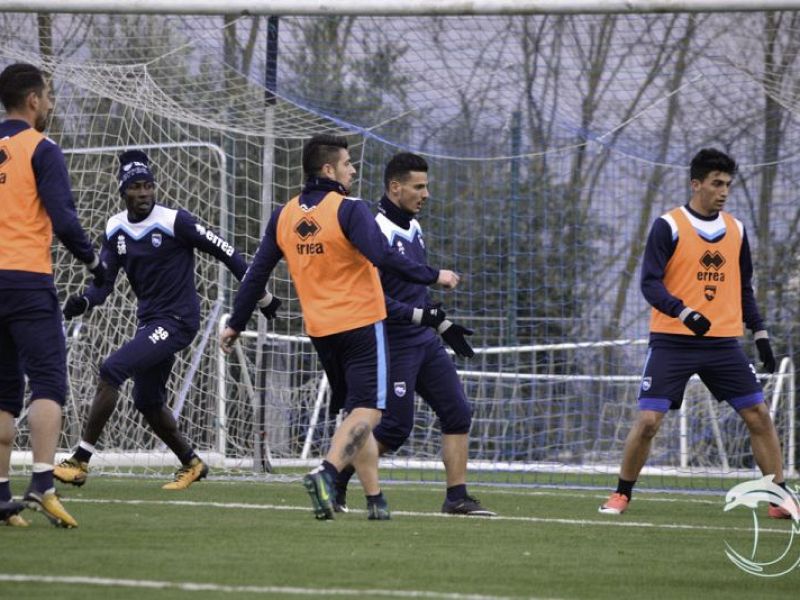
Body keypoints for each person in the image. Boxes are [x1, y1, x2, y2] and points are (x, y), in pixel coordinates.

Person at [220, 134, 460, 520]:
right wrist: (436, 275)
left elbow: (255, 274)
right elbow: (382, 255)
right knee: (369, 413)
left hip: (320, 331)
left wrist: (235, 322)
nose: (352, 171)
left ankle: (375, 499)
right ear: (329, 169)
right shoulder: (350, 208)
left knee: (355, 415)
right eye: (348, 164)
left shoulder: (284, 215)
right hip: (362, 324)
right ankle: (327, 473)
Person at [54, 149, 280, 491]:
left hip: (179, 320)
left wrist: (262, 297)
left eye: (148, 185)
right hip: (151, 323)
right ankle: (192, 462)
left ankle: (80, 461)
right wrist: (84, 301)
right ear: (123, 191)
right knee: (146, 400)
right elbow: (104, 284)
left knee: (112, 369)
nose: (144, 192)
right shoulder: (115, 229)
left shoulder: (176, 221)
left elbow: (228, 252)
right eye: (136, 187)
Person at [599, 148, 790, 518]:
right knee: (650, 421)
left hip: (722, 343)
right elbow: (650, 284)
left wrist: (760, 330)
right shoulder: (667, 225)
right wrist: (683, 312)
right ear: (696, 184)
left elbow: (743, 287)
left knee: (759, 415)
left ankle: (778, 498)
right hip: (673, 341)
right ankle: (622, 493)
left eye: (728, 185)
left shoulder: (736, 229)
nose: (723, 191)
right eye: (716, 183)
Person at [332, 153, 495, 517]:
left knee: (457, 412)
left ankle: (457, 497)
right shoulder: (373, 229)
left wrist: (440, 323)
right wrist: (422, 314)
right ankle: (334, 475)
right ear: (395, 187)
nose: (426, 193)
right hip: (392, 340)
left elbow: (413, 290)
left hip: (423, 339)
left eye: (427, 186)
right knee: (393, 427)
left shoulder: (413, 227)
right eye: (419, 186)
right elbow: (373, 297)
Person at [0, 63, 106, 528]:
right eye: (48, 96)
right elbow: (63, 219)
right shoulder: (41, 149)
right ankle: (43, 482)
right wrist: (93, 261)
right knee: (48, 382)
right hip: (25, 279)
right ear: (33, 101)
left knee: (2, 393)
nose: (50, 104)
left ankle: (0, 497)